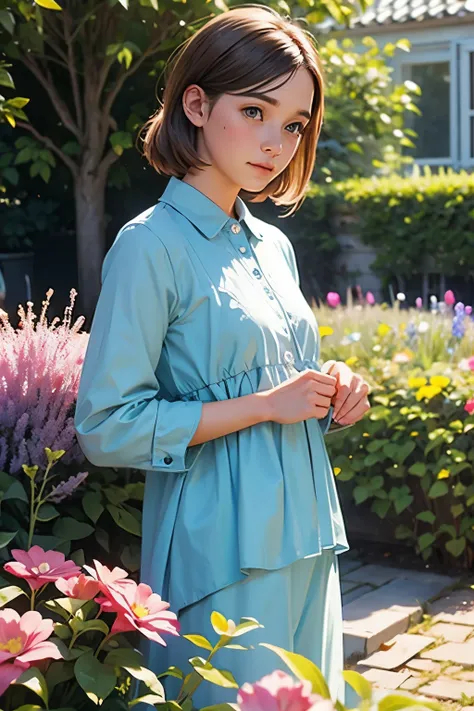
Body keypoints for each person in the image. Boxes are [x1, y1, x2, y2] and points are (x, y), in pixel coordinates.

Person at [74, 6, 370, 709]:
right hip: (220, 550)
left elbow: (284, 382)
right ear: (197, 104)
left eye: (294, 124)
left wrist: (335, 391)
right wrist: (264, 405)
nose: (277, 142)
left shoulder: (274, 245)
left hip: (308, 531)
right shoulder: (150, 245)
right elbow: (106, 423)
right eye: (256, 111)